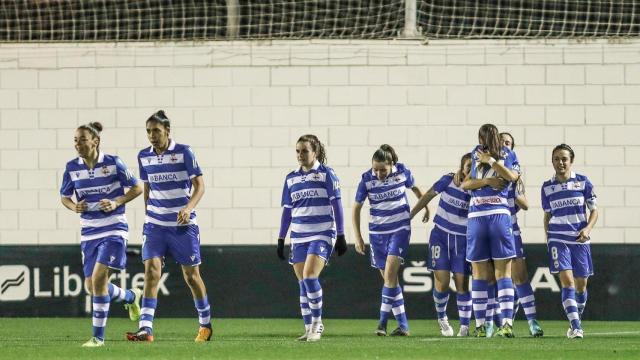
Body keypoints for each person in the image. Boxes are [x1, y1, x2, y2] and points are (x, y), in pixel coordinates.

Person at [126, 110, 212, 342]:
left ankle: (205, 324)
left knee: (191, 276)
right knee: (151, 272)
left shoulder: (184, 152)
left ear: (167, 131)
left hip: (182, 226)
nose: (152, 135)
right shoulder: (144, 156)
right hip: (155, 225)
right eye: (148, 131)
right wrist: (147, 217)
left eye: (156, 131)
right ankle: (146, 328)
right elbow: (147, 188)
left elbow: (200, 186)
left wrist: (188, 208)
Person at [60, 122, 144, 347]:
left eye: (82, 139)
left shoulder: (113, 163)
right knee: (91, 285)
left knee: (98, 279)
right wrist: (73, 207)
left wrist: (117, 201)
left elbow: (137, 188)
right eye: (75, 140)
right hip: (89, 232)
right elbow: (65, 197)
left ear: (95, 141)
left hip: (114, 228)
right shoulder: (71, 167)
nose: (78, 144)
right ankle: (130, 297)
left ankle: (98, 338)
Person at [277, 134, 347, 342]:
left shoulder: (327, 174)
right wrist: (281, 238)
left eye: (305, 151)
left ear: (315, 152)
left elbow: (337, 205)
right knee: (302, 282)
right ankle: (308, 327)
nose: (300, 155)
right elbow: (287, 211)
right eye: (298, 151)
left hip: (322, 232)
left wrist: (341, 234)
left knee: (309, 276)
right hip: (299, 235)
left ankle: (317, 324)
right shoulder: (291, 178)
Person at [352, 144, 425, 337]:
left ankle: (382, 322)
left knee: (390, 275)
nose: (378, 173)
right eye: (375, 169)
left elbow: (417, 189)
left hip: (400, 229)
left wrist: (425, 206)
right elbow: (356, 208)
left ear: (392, 164)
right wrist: (358, 236)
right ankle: (403, 326)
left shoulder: (403, 172)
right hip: (377, 234)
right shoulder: (366, 179)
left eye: (382, 170)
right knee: (390, 280)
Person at [461, 123, 520, 338]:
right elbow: (465, 185)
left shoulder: (504, 154)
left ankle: (487, 324)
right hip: (485, 216)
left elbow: (512, 177)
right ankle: (497, 325)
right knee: (500, 272)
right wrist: (486, 180)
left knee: (482, 273)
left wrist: (491, 162)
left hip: (488, 215)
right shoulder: (475, 155)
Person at [409, 153, 472, 337]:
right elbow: (429, 194)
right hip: (440, 236)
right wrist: (412, 214)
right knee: (442, 282)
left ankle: (464, 326)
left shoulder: (477, 188)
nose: (471, 170)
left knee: (462, 283)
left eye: (474, 167)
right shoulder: (448, 180)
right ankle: (442, 318)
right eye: (468, 166)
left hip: (462, 239)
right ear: (461, 167)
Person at [542, 144, 598, 339]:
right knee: (567, 283)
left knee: (581, 286)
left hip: (579, 239)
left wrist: (587, 229)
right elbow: (547, 215)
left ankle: (577, 318)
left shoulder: (583, 182)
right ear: (552, 161)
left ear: (571, 161)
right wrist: (548, 238)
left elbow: (594, 211)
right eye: (556, 158)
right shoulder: (547, 187)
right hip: (558, 238)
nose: (560, 162)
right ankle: (576, 327)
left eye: (564, 159)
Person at [500, 132, 543, 337]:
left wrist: (512, 186)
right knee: (493, 279)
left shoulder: (514, 176)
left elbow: (525, 204)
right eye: (501, 142)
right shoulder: (484, 167)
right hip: (490, 229)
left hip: (510, 228)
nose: (504, 145)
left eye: (508, 143)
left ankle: (532, 322)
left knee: (520, 277)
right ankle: (495, 323)